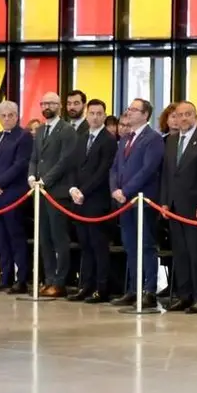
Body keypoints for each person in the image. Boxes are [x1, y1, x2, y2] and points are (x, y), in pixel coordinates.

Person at [159, 101, 197, 312]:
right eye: (179, 115)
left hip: (196, 208)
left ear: (195, 116)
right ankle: (184, 295)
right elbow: (167, 174)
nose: (183, 118)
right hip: (175, 207)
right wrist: (165, 202)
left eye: (188, 114)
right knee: (181, 253)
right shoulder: (172, 140)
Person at [110, 99, 163, 308]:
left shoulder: (153, 139)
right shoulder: (125, 139)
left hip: (143, 201)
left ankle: (149, 290)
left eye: (134, 110)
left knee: (146, 245)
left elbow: (148, 169)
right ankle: (133, 289)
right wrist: (115, 189)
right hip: (124, 202)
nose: (129, 113)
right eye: (128, 109)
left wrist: (127, 190)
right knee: (130, 246)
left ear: (145, 114)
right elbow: (114, 167)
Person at [67, 99, 118, 303]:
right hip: (79, 201)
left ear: (104, 116)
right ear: (87, 116)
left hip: (96, 200)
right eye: (92, 113)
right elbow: (72, 166)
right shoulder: (81, 138)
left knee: (98, 246)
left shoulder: (108, 140)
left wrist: (82, 191)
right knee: (85, 245)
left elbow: (103, 171)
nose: (95, 117)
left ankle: (101, 287)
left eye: (99, 113)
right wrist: (72, 188)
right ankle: (85, 286)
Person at [28, 92, 78, 297]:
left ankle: (60, 281)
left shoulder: (67, 130)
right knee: (44, 238)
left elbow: (65, 161)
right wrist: (31, 177)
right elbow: (34, 158)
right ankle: (48, 278)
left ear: (59, 106)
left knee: (59, 238)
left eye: (51, 103)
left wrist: (45, 180)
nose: (47, 106)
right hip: (39, 191)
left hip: (57, 192)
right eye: (44, 102)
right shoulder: (40, 130)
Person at [0, 100, 33, 294]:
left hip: (13, 194)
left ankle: (21, 279)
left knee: (16, 237)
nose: (6, 119)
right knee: (0, 238)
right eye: (3, 116)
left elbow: (20, 164)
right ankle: (4, 276)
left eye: (10, 115)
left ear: (16, 116)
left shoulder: (24, 137)